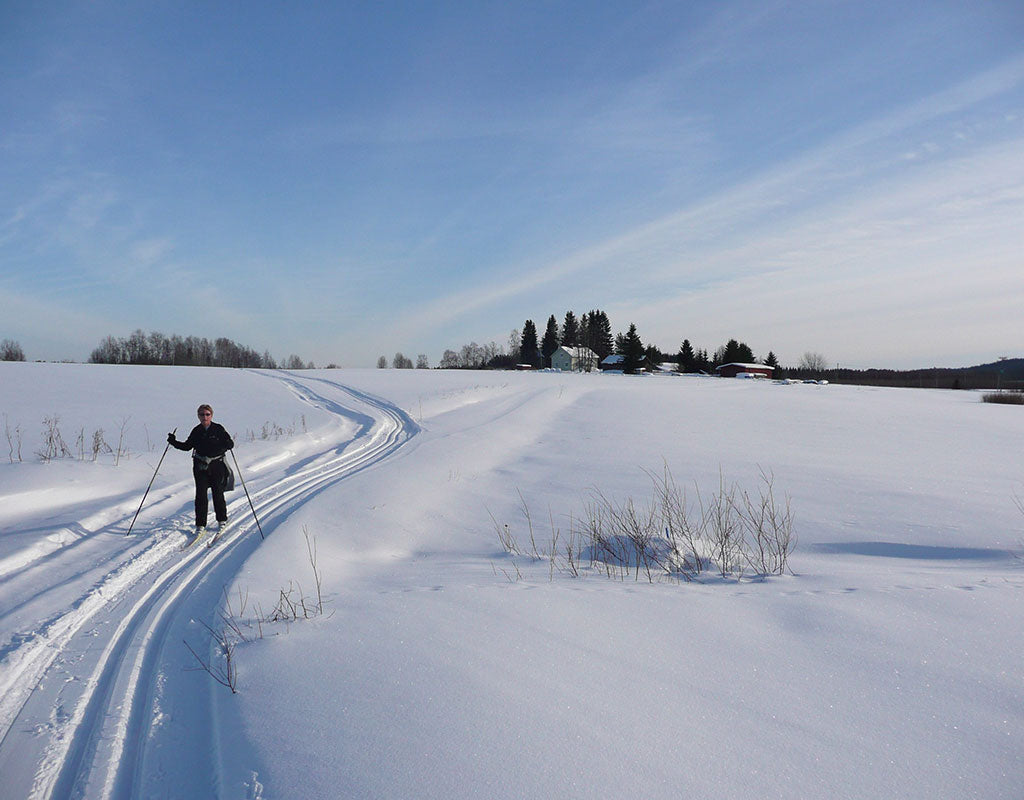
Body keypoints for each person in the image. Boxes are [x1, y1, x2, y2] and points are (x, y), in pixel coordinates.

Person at [168, 404, 234, 533]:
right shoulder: (196, 431)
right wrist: (173, 442)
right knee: (201, 495)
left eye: (207, 414)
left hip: (217, 465)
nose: (205, 417)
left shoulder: (218, 428)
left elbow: (229, 443)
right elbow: (187, 446)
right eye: (202, 414)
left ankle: (222, 520)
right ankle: (200, 524)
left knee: (217, 493)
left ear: (211, 415)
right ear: (198, 416)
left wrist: (227, 444)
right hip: (200, 466)